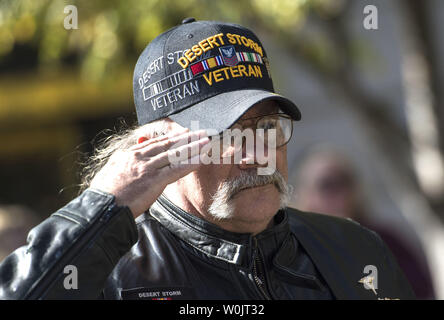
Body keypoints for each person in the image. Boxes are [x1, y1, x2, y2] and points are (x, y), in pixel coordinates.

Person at [0, 18, 415, 300]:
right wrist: (102, 208)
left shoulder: (353, 249)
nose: (257, 156)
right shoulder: (107, 274)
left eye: (268, 127)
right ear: (154, 146)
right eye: (225, 135)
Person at [292, 146, 435, 299]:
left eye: (344, 180)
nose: (339, 191)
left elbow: (418, 289)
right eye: (327, 184)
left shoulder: (382, 240)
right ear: (305, 194)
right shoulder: (291, 249)